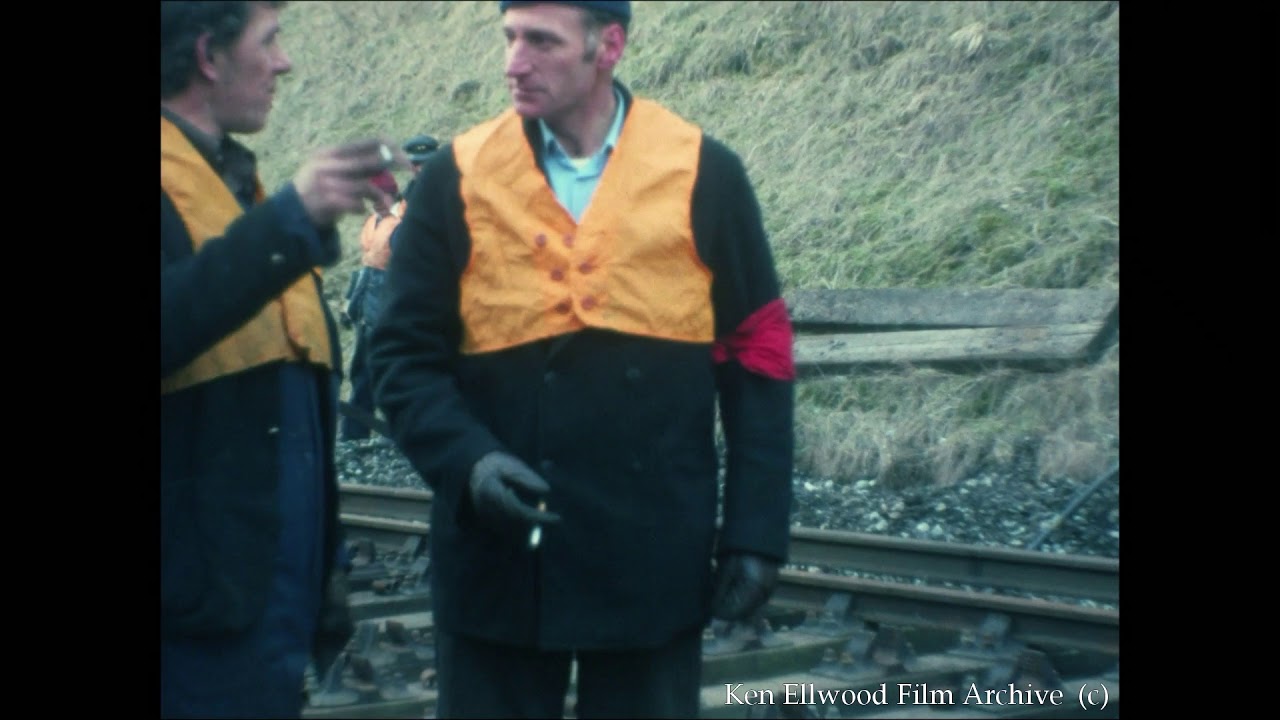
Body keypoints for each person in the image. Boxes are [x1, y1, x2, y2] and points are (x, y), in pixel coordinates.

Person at [369, 1, 795, 717]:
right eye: (509, 38)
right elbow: (401, 353)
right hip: (496, 556)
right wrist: (466, 461)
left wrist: (757, 533)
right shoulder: (456, 177)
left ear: (609, 46)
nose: (513, 61)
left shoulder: (702, 172)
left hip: (650, 554)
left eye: (541, 41)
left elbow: (759, 354)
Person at [161, 2, 407, 716]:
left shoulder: (235, 187)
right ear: (208, 55)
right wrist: (291, 219)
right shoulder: (258, 209)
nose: (285, 62)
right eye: (269, 41)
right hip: (190, 622)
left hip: (254, 605)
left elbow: (284, 407)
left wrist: (325, 564)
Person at [339, 170, 402, 441]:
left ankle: (402, 436)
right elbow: (364, 267)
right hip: (366, 308)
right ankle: (354, 437)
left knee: (392, 374)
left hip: (390, 310)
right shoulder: (371, 221)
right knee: (361, 374)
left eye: (380, 196)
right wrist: (349, 303)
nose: (376, 202)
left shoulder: (405, 221)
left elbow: (407, 271)